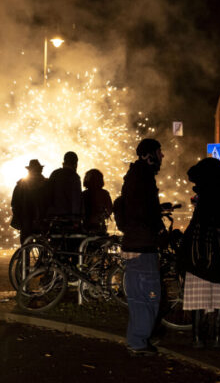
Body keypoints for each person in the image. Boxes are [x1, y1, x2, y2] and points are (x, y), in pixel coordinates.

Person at [179, 157, 220, 349]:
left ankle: (197, 338)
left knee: (197, 297)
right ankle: (218, 337)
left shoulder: (204, 196)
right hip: (218, 255)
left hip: (197, 256)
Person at [120, 138, 165, 356]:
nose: (162, 156)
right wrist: (158, 228)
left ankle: (137, 338)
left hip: (134, 241)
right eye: (159, 152)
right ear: (149, 155)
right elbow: (144, 210)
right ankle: (138, 341)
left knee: (140, 296)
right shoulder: (144, 178)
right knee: (148, 296)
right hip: (142, 244)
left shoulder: (133, 175)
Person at [10, 159, 48, 244]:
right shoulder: (46, 183)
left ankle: (24, 256)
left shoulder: (21, 184)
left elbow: (14, 204)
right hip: (43, 222)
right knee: (44, 247)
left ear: (29, 170)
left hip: (26, 222)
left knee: (25, 248)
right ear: (40, 170)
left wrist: (20, 219)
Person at [46, 151, 82, 224]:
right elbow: (77, 199)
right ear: (75, 163)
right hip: (71, 217)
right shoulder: (75, 177)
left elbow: (48, 194)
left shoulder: (55, 174)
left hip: (55, 217)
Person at [81, 169, 113, 235]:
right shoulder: (105, 194)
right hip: (100, 227)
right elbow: (110, 210)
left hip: (86, 228)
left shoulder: (83, 194)